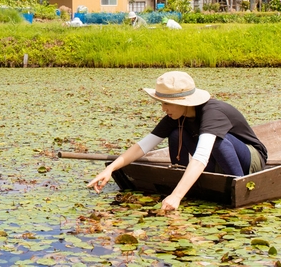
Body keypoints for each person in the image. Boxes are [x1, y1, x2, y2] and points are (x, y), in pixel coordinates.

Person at [87, 71, 267, 211]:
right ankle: (182, 181)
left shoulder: (213, 112)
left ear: (183, 101)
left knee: (220, 141)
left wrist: (176, 196)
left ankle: (238, 188)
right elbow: (144, 146)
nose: (163, 109)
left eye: (166, 103)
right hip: (217, 160)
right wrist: (110, 168)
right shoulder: (176, 116)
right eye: (161, 103)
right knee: (174, 134)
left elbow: (200, 157)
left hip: (248, 161)